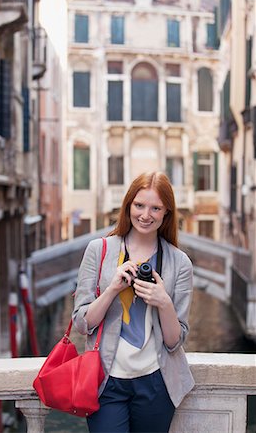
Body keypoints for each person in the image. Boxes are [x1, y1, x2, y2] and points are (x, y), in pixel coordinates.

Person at [73, 171, 195, 433]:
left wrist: (164, 302)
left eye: (155, 208)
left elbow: (174, 342)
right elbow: (82, 324)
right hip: (106, 380)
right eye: (139, 205)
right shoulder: (99, 250)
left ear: (166, 213)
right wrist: (112, 290)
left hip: (156, 382)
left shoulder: (180, 263)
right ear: (128, 205)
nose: (145, 214)